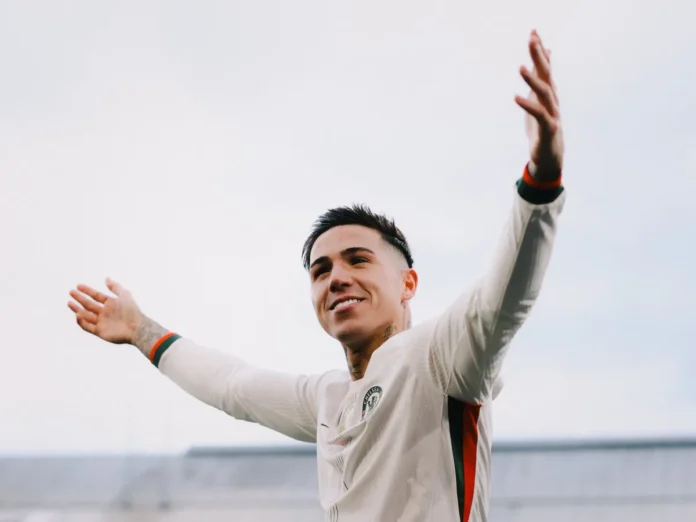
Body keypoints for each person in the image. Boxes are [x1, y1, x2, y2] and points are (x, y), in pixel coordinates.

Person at [68, 29, 565, 522]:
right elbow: (231, 385)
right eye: (320, 270)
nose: (336, 278)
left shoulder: (442, 357)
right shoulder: (327, 399)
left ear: (408, 284)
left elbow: (503, 299)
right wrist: (141, 330)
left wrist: (541, 183)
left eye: (358, 259)